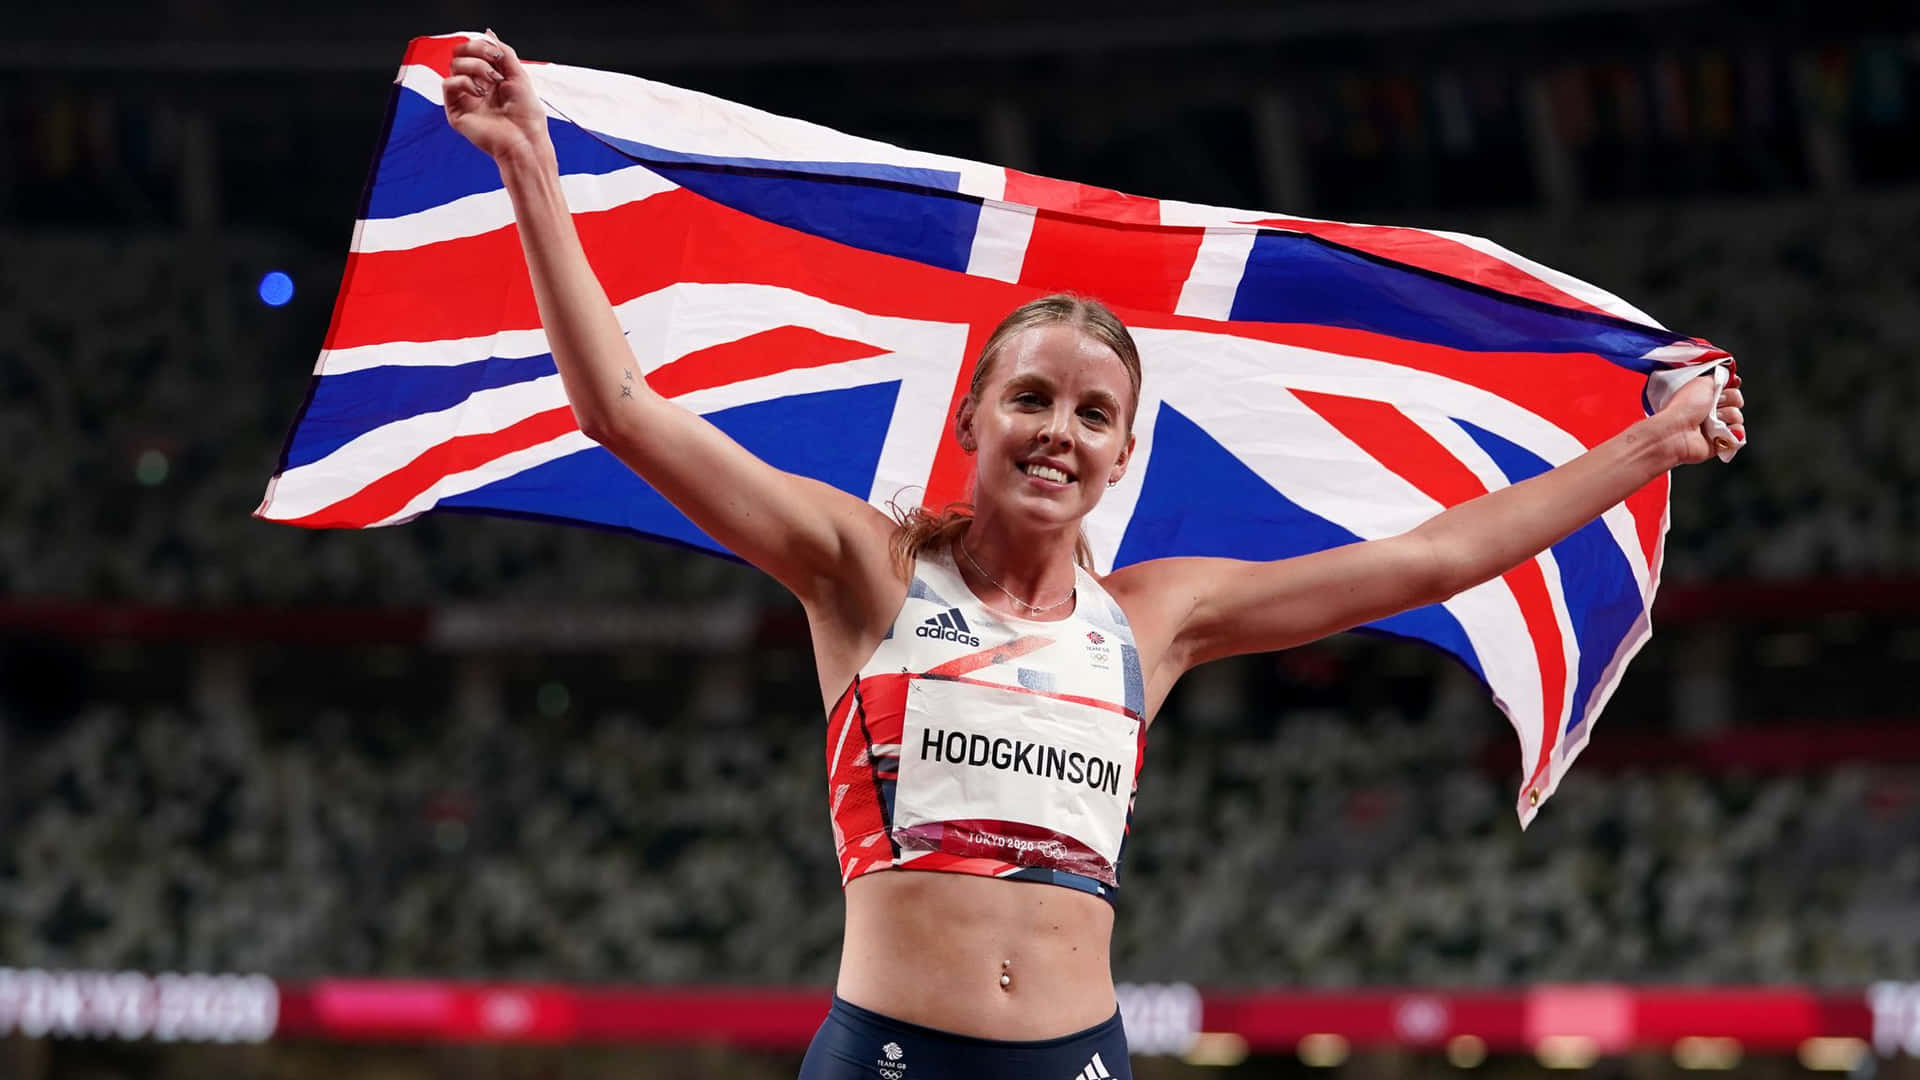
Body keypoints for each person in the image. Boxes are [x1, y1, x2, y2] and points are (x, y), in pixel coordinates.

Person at [441, 34, 1746, 1079]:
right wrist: (529, 170)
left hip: (1082, 1061)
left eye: (1091, 412)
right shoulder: (864, 571)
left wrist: (1649, 450)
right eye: (1030, 399)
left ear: (1124, 457)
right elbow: (621, 407)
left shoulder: (1154, 624)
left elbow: (1439, 554)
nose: (1057, 431)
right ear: (971, 421)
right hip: (886, 1053)